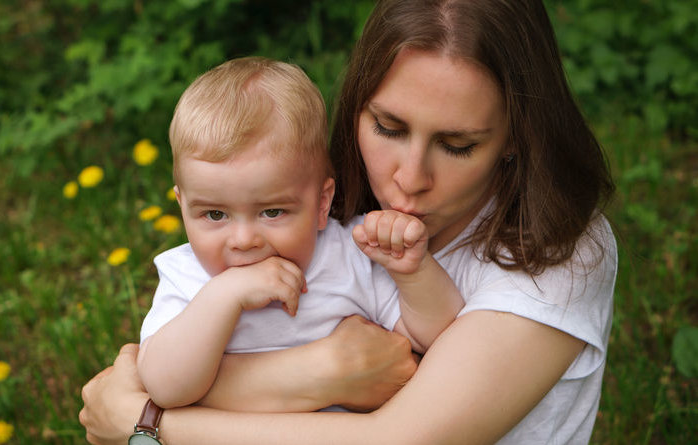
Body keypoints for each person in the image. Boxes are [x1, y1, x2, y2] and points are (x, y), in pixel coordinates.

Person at [80, 0, 617, 443]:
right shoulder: (327, 221)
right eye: (388, 128)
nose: (409, 178)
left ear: (516, 139)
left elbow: (404, 433)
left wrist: (147, 421)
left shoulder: (560, 253)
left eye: (457, 145)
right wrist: (327, 372)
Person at [137, 56, 463, 410]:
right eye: (215, 214)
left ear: (323, 203)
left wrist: (413, 272)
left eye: (272, 212)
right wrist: (224, 295)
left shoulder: (349, 253)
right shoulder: (188, 279)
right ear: (182, 205)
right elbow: (165, 388)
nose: (244, 240)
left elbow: (438, 339)